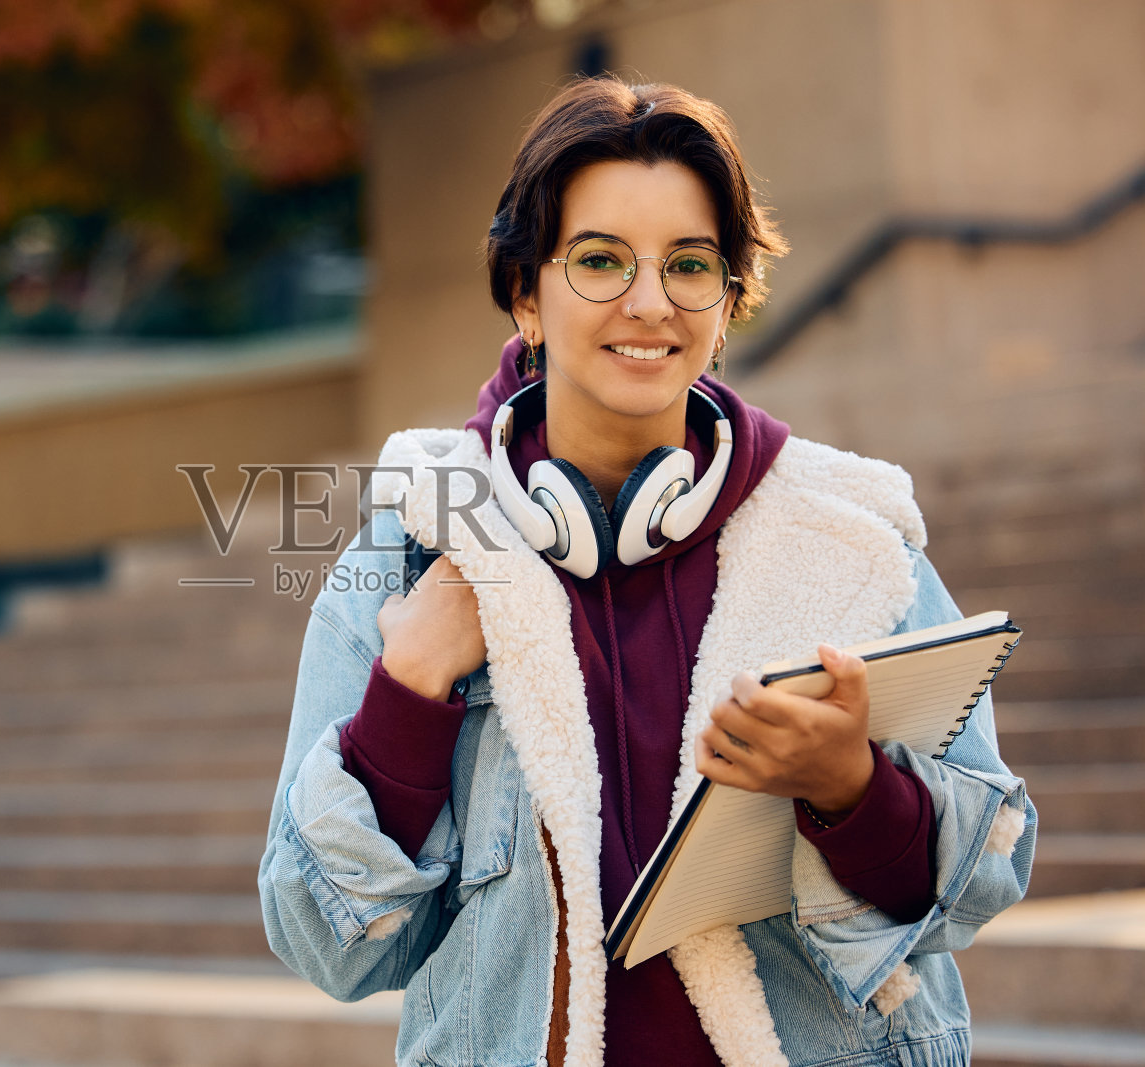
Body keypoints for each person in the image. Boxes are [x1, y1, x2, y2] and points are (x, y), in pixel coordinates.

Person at [258, 77, 1035, 1067]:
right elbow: (326, 944)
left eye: (689, 264)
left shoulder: (851, 537)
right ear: (524, 294)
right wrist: (407, 696)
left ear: (726, 302)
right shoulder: (412, 546)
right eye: (599, 260)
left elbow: (983, 882)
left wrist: (851, 787)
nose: (649, 301)